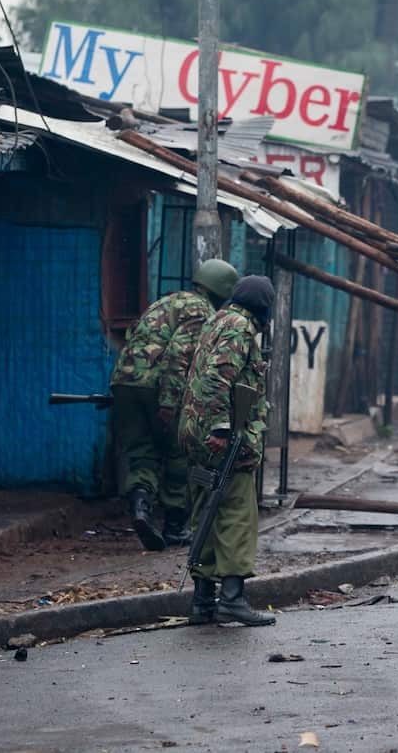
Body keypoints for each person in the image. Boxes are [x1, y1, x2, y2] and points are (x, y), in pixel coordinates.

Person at [110, 259, 240, 552]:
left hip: (124, 383)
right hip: (157, 387)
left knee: (142, 452)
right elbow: (177, 358)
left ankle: (141, 508)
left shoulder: (166, 302)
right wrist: (169, 404)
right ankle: (175, 526)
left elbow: (135, 338)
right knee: (178, 453)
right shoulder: (202, 311)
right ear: (222, 292)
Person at [179, 275, 275, 627]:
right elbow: (218, 378)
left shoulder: (216, 320)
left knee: (206, 511)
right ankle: (232, 599)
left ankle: (202, 601)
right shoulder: (240, 328)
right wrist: (222, 427)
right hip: (224, 438)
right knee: (236, 514)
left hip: (195, 432)